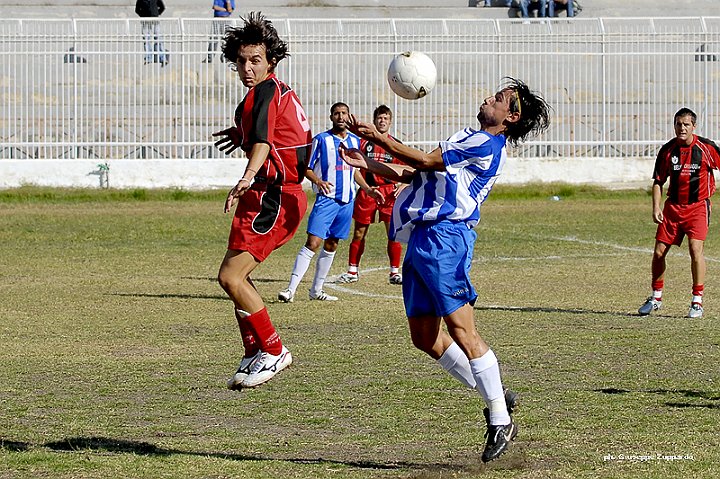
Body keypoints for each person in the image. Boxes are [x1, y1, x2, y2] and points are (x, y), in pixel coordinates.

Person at [339, 78, 550, 462]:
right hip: (424, 239)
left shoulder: (485, 143)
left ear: (511, 117)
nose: (488, 98)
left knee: (461, 330)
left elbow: (423, 161)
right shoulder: (470, 137)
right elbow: (417, 175)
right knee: (424, 338)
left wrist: (380, 139)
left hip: (446, 239)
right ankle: (496, 395)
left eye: (498, 99)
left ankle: (499, 418)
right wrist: (369, 163)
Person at [213, 12, 312, 390]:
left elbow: (266, 142)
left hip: (274, 196)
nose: (247, 68)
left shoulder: (266, 91)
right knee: (236, 278)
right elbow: (275, 136)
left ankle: (273, 350)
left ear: (271, 60)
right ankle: (254, 350)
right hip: (266, 194)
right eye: (241, 61)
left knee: (231, 276)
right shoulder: (270, 92)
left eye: (256, 60)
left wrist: (246, 175)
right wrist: (240, 133)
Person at [278, 102, 380, 303]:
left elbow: (355, 171)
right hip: (327, 199)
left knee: (332, 244)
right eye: (337, 113)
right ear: (331, 117)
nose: (341, 117)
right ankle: (290, 289)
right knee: (313, 242)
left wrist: (368, 189)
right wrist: (318, 181)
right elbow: (306, 168)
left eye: (344, 113)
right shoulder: (321, 140)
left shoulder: (355, 141)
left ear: (349, 116)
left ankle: (316, 290)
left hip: (347, 201)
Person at [637, 108, 720, 319]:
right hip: (673, 208)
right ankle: (656, 298)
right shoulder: (667, 150)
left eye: (686, 124)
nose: (682, 128)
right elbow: (658, 181)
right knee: (658, 253)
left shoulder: (706, 148)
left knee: (695, 250)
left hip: (698, 207)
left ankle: (697, 302)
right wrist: (656, 207)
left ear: (694, 126)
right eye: (678, 124)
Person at [337, 105, 406, 285]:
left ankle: (394, 272)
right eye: (379, 118)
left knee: (393, 233)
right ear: (374, 121)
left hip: (389, 193)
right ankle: (352, 271)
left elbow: (409, 169)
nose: (382, 121)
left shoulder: (395, 145)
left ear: (390, 122)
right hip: (368, 191)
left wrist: (403, 185)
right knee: (359, 232)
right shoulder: (363, 143)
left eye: (386, 118)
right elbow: (355, 169)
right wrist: (367, 188)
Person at [135, 0, 169, 66]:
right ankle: (148, 58)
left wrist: (156, 14)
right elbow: (137, 10)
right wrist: (143, 15)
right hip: (145, 20)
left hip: (155, 20)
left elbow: (162, 7)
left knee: (158, 38)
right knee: (146, 39)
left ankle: (162, 57)